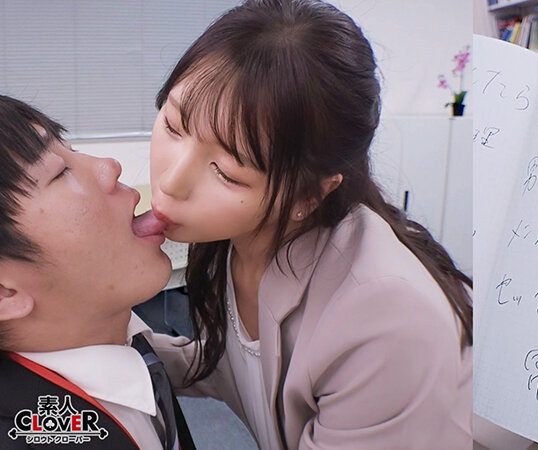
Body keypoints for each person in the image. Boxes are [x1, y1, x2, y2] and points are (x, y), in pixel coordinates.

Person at [147, 0, 473, 448]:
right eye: (172, 125)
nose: (171, 181)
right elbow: (237, 365)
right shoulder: (242, 234)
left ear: (308, 195)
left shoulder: (384, 318)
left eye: (226, 172)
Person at [0, 95, 195, 450]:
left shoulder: (115, 333)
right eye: (59, 172)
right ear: (5, 292)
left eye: (72, 148)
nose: (110, 165)